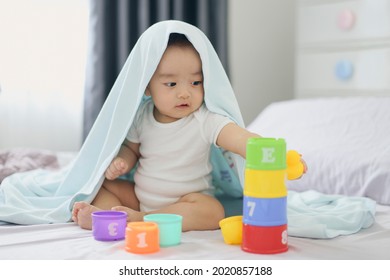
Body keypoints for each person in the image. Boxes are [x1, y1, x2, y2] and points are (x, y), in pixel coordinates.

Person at [72, 29, 306, 232]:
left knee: (213, 211)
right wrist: (122, 161)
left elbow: (240, 139)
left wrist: (275, 155)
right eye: (171, 84)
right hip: (140, 197)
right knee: (99, 184)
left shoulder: (206, 119)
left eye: (195, 82)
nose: (184, 93)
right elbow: (130, 150)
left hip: (186, 201)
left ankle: (141, 220)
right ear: (146, 88)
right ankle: (107, 216)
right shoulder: (142, 116)